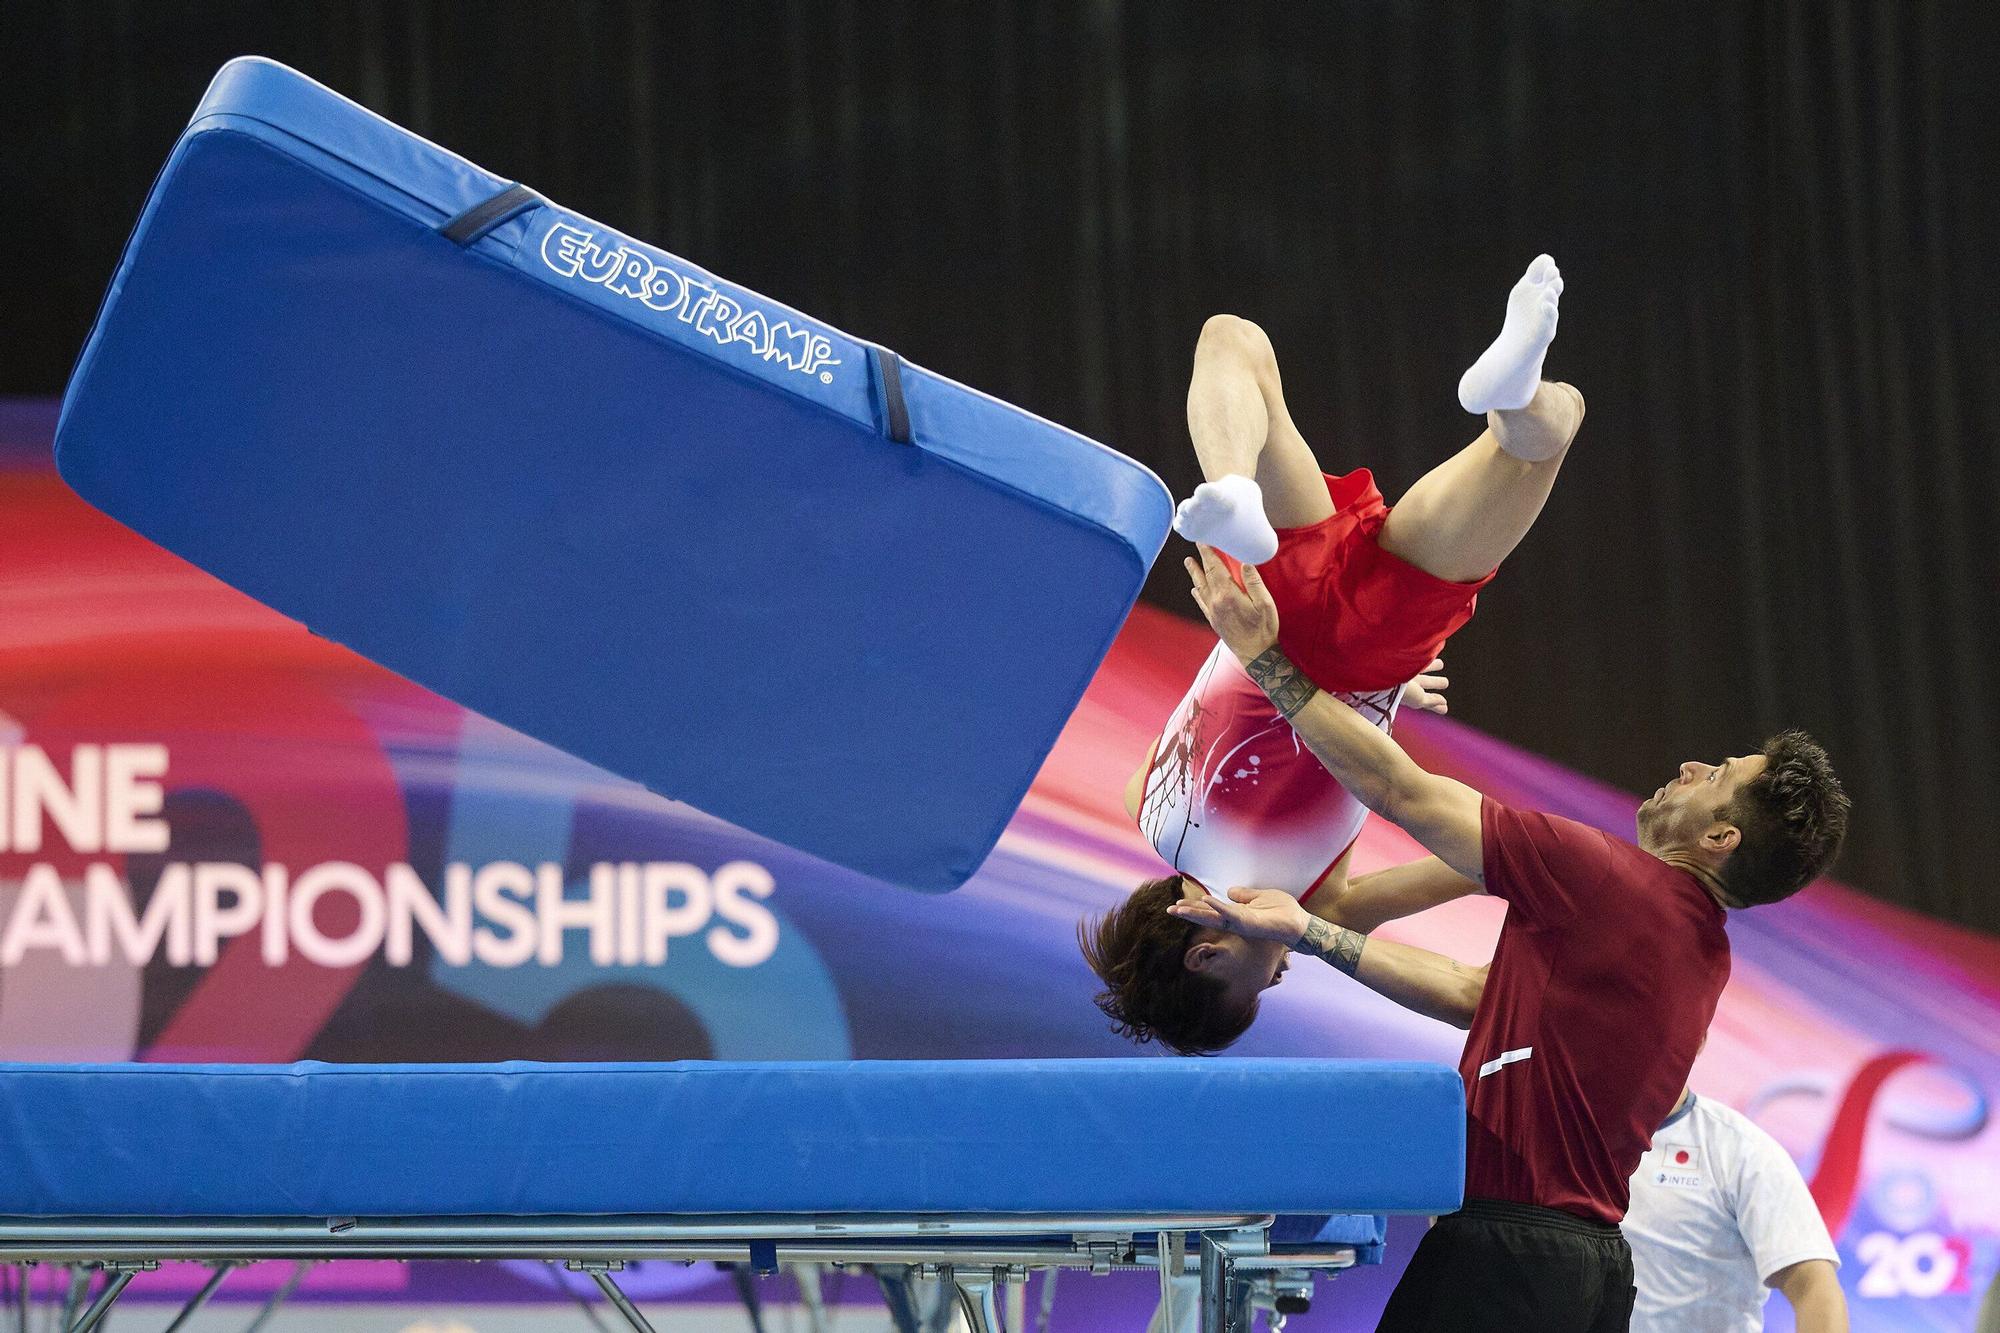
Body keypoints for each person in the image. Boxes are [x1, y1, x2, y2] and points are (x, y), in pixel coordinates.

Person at [1175, 541, 1850, 1329]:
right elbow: (1473, 995)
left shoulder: (1607, 878)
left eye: (1720, 774)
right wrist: (1312, 931)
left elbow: (1400, 789)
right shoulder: (1701, 947)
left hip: (1516, 1259)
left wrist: (1263, 659)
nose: (1694, 764)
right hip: (1585, 1269)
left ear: (1721, 839)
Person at [1082, 255, 1584, 1055]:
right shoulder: (1145, 800)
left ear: (1207, 950)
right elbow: (1227, 707)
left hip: (1369, 644)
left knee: (1543, 439)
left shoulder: (1315, 906)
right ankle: (1232, 484)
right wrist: (1378, 711)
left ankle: (1520, 395)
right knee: (1233, 342)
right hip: (1274, 591)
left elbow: (1480, 860)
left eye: (1266, 980)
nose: (1284, 970)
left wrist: (1596, 863)